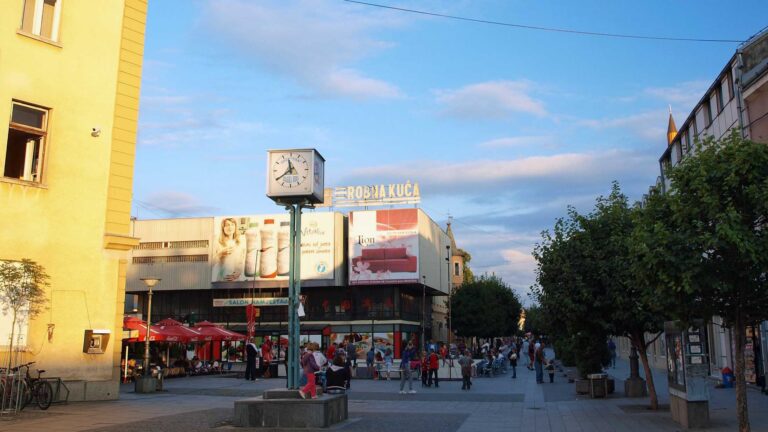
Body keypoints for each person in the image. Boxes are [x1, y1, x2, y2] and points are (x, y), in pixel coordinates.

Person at [213, 217, 245, 282]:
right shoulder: (217, 242)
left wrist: (238, 272)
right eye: (227, 225)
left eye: (232, 224)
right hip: (222, 278)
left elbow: (241, 262)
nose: (230, 227)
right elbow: (211, 263)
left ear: (235, 227)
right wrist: (220, 254)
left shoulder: (240, 242)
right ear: (223, 228)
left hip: (236, 279)